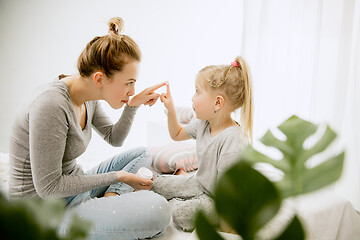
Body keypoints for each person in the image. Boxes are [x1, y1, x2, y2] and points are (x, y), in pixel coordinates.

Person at [8, 17, 171, 240]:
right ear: (99, 78)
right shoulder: (51, 105)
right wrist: (119, 177)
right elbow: (48, 187)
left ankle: (109, 198)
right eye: (128, 83)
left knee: (142, 153)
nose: (132, 91)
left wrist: (132, 106)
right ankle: (107, 202)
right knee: (158, 211)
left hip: (73, 188)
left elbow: (114, 138)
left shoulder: (87, 97)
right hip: (44, 212)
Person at [151, 56, 253, 231]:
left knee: (181, 216)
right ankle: (178, 198)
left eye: (197, 91)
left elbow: (228, 199)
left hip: (218, 200)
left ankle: (178, 201)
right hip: (199, 183)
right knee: (154, 184)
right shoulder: (204, 123)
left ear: (218, 102)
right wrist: (170, 110)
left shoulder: (233, 142)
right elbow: (176, 134)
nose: (192, 98)